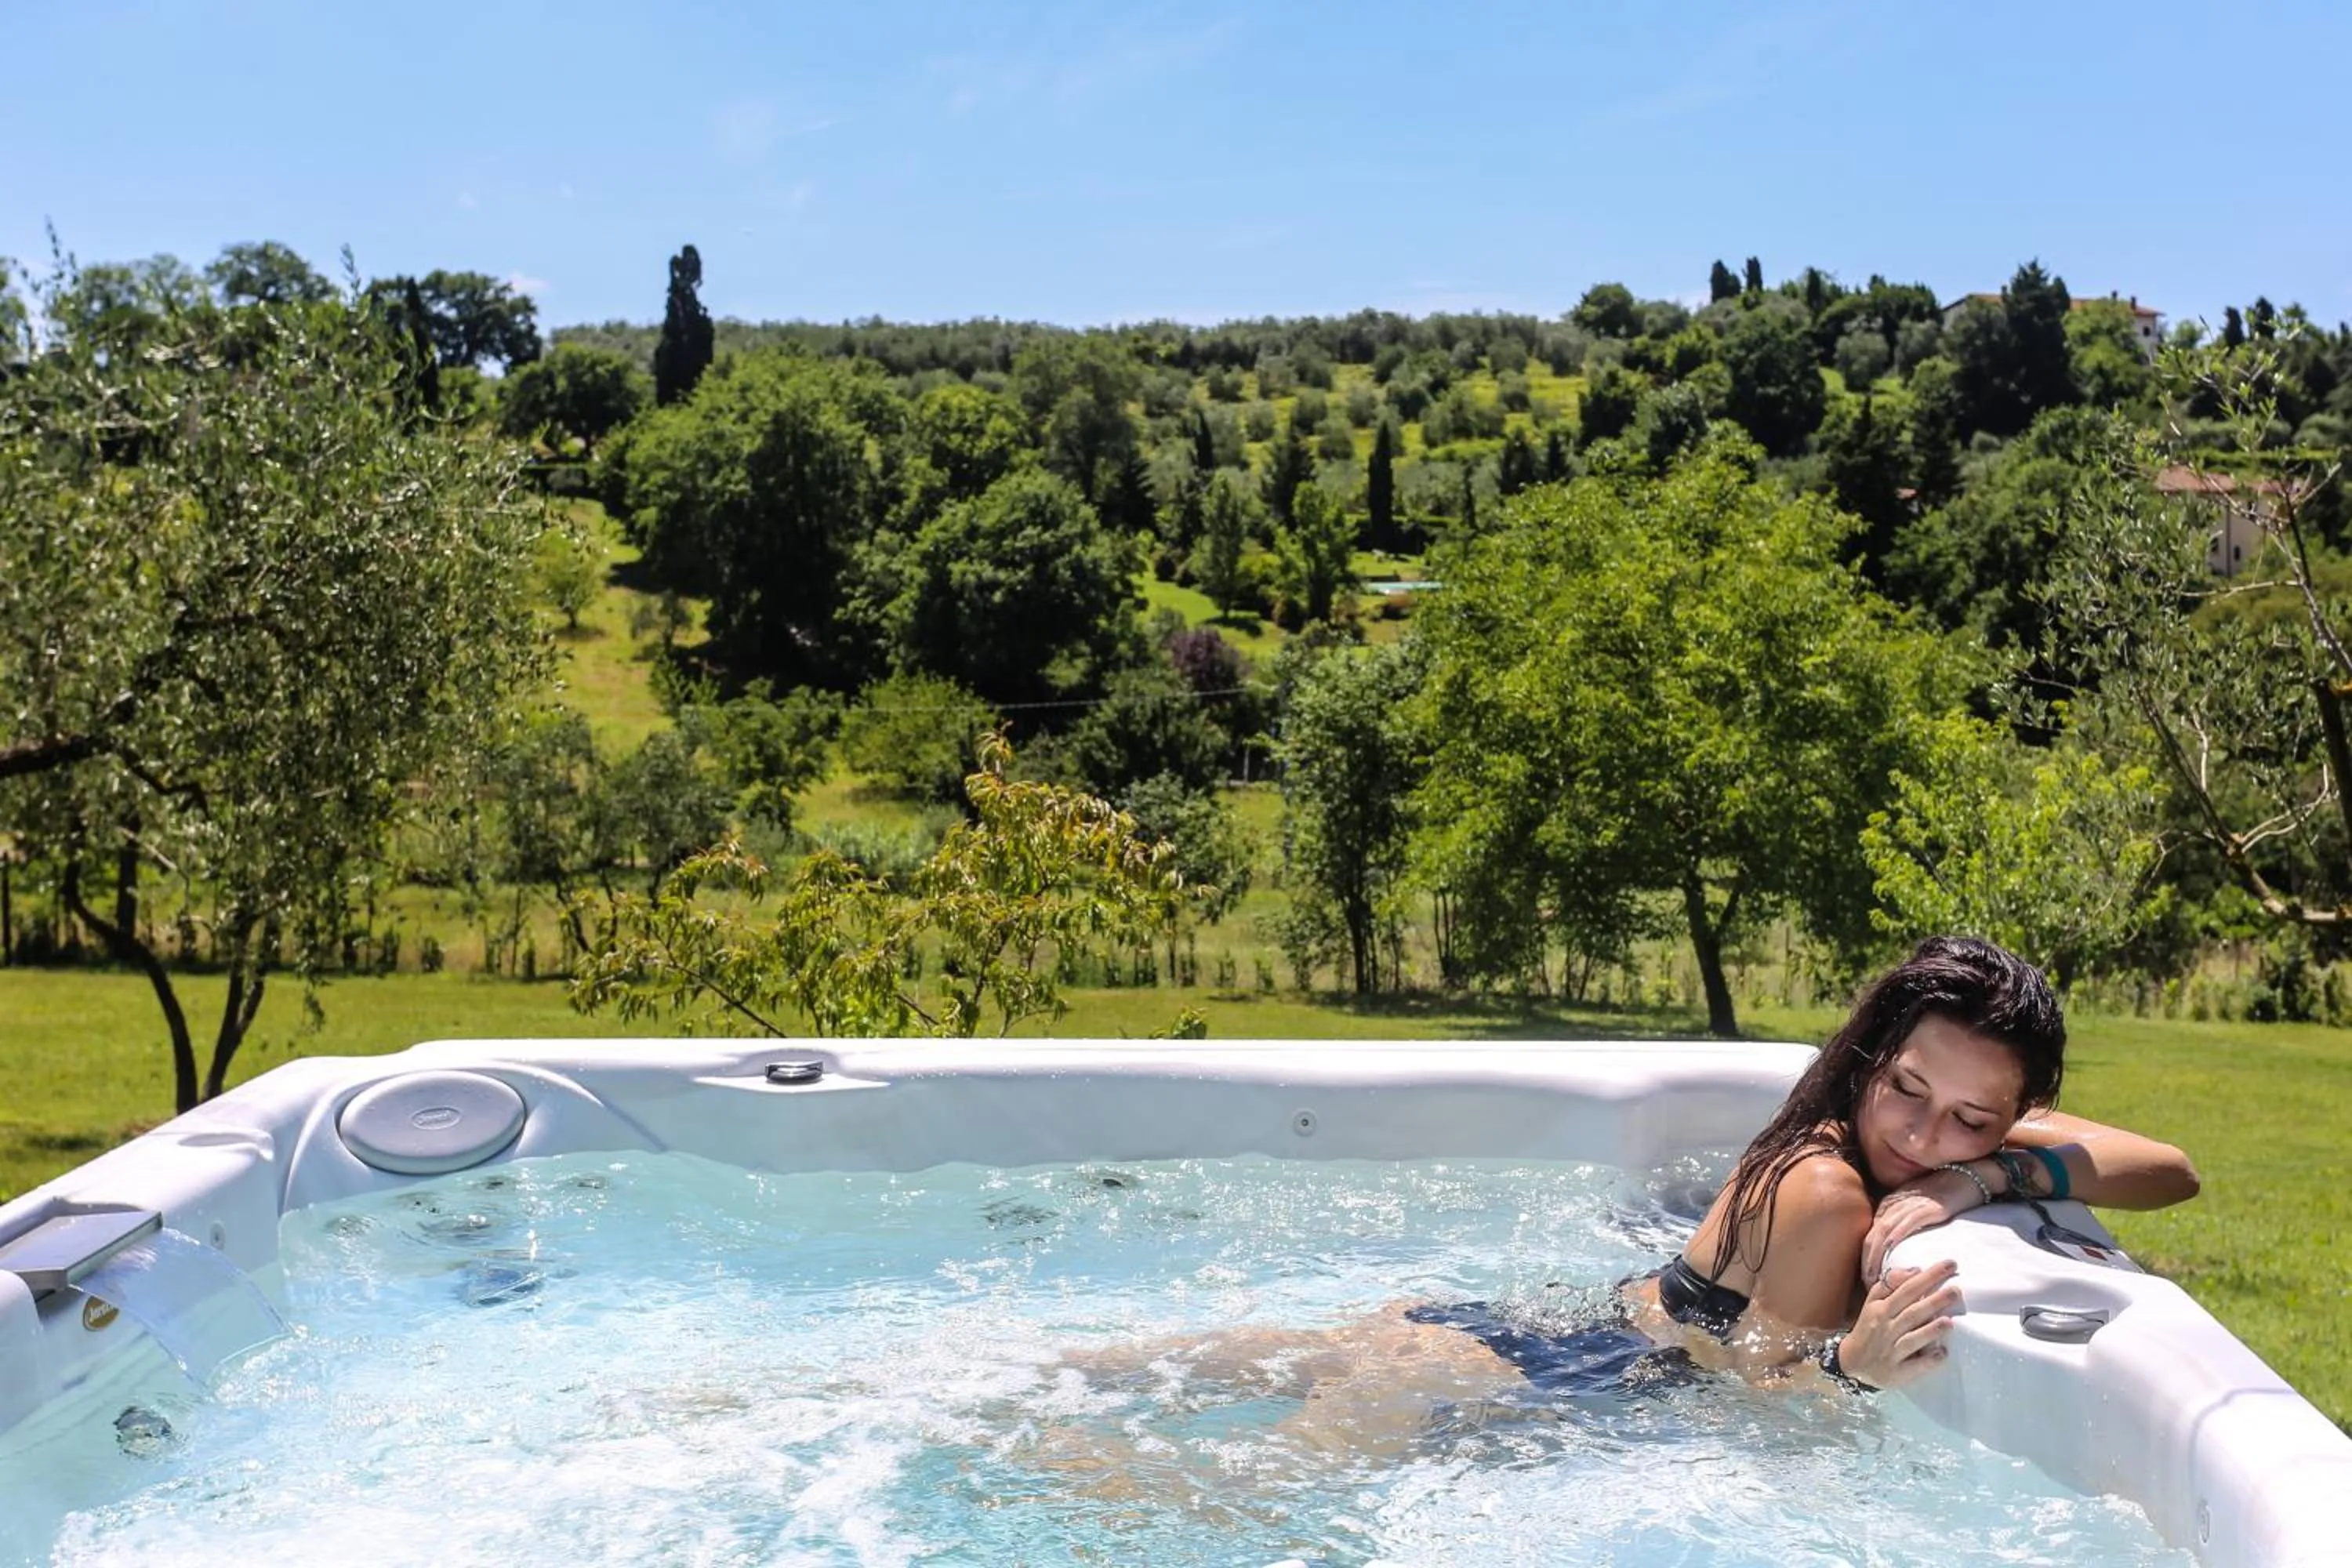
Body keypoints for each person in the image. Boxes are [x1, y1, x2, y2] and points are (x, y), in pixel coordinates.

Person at [1055, 935, 2201, 1456]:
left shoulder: (1851, 1128)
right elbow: (1760, 1395)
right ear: (1873, 1061)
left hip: (1532, 1324)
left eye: (1971, 1118)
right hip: (1545, 1374)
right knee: (1212, 1500)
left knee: (1145, 1378)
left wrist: (1989, 1174)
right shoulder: (1829, 1195)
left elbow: (2170, 1169)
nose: (1922, 1133)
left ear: (2009, 1116)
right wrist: (1851, 1370)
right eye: (1909, 1091)